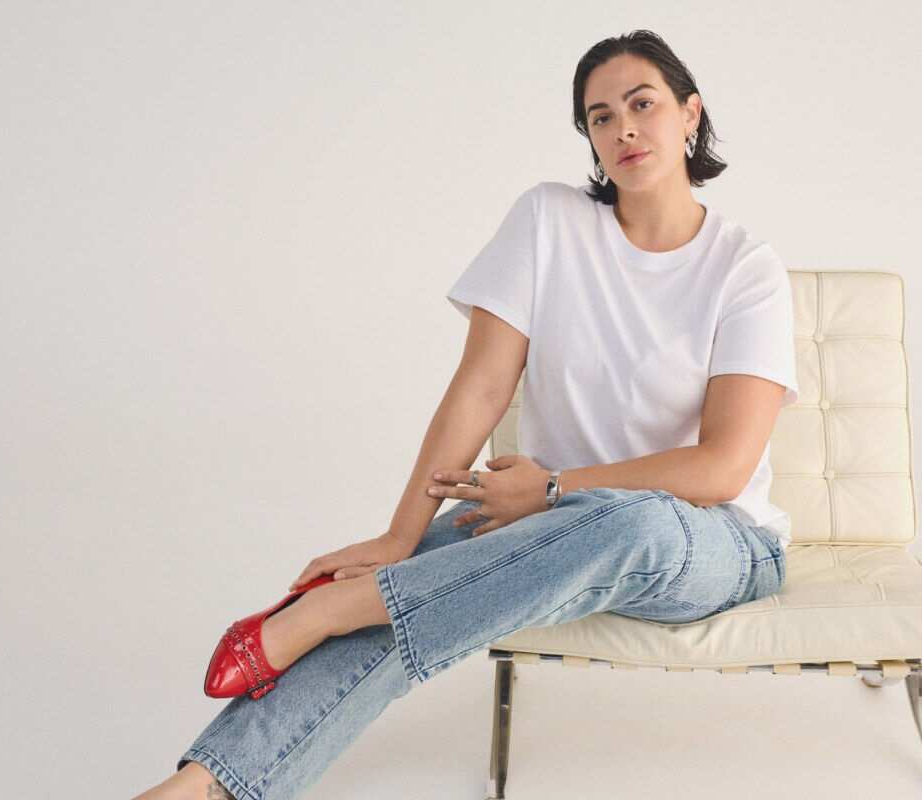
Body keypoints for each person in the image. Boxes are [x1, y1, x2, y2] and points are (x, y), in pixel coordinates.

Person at [131, 29, 799, 800]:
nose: (624, 128)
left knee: (634, 521)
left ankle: (329, 612)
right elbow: (479, 387)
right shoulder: (548, 220)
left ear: (690, 114)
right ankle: (204, 788)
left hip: (712, 541)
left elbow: (722, 468)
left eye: (642, 104)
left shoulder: (745, 269)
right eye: (601, 116)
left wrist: (554, 487)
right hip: (548, 524)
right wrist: (399, 537)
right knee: (417, 582)